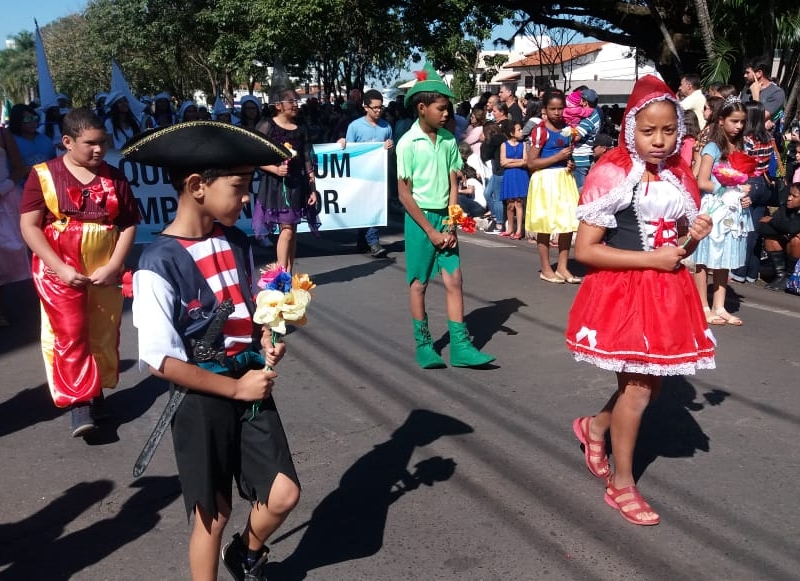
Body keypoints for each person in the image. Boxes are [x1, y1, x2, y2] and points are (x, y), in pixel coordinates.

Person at [124, 121, 299, 581]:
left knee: (282, 494)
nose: (247, 200)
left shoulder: (236, 241)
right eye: (239, 188)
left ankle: (245, 552)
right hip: (202, 398)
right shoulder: (157, 262)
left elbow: (249, 308)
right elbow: (161, 360)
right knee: (213, 514)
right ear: (197, 186)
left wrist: (266, 338)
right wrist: (236, 389)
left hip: (251, 384)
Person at [566, 74, 715, 527]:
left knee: (653, 385)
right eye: (649, 131)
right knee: (637, 390)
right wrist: (652, 259)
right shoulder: (612, 171)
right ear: (631, 128)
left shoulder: (679, 174)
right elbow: (585, 250)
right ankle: (622, 483)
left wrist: (694, 238)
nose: (659, 140)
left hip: (668, 292)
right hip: (624, 292)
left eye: (668, 130)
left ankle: (594, 427)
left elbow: (677, 250)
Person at [18, 108, 139, 436]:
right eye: (90, 143)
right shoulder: (43, 175)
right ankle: (79, 400)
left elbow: (129, 223)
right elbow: (29, 226)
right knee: (69, 331)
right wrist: (58, 267)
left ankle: (95, 390)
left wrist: (114, 265)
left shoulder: (114, 176)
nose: (99, 149)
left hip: (103, 266)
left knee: (102, 329)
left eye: (103, 142)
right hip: (58, 267)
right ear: (68, 142)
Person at [396, 62, 495, 369]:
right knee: (419, 283)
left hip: (445, 218)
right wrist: (431, 230)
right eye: (441, 109)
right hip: (420, 221)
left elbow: (454, 184)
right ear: (422, 108)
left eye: (447, 109)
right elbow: (404, 194)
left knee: (455, 280)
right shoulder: (407, 143)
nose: (446, 114)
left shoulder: (449, 140)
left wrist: (451, 223)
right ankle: (424, 344)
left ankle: (461, 346)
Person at [693, 97, 753, 326]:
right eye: (734, 121)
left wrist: (743, 194)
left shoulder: (741, 147)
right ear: (721, 120)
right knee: (704, 258)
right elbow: (702, 181)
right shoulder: (712, 147)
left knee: (725, 257)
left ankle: (720, 305)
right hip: (714, 207)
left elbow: (744, 178)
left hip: (732, 209)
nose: (738, 126)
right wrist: (730, 186)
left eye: (742, 122)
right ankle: (702, 306)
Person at [254, 88, 320, 272]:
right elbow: (255, 157)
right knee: (288, 229)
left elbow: (307, 160)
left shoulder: (301, 128)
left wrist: (312, 188)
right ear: (278, 105)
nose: (295, 105)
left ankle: (288, 274)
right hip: (276, 185)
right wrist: (275, 169)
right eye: (291, 102)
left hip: (297, 184)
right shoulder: (267, 126)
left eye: (296, 101)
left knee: (292, 230)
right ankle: (281, 274)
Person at [525, 90, 582, 284]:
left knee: (567, 223)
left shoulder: (568, 129)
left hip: (564, 178)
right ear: (545, 110)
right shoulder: (540, 131)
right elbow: (531, 163)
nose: (557, 113)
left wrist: (570, 164)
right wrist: (557, 157)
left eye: (560, 108)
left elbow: (568, 157)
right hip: (545, 180)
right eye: (552, 109)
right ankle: (546, 268)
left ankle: (563, 267)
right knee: (545, 224)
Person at [338, 89, 392, 258]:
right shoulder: (355, 126)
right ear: (365, 107)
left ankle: (364, 240)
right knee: (367, 208)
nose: (378, 110)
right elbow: (349, 151)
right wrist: (342, 143)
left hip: (379, 176)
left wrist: (389, 148)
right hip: (360, 176)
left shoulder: (386, 127)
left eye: (380, 107)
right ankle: (373, 242)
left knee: (374, 207)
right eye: (375, 107)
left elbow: (390, 153)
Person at [731, 101, 776, 284]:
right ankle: (752, 271)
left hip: (750, 182)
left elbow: (742, 162)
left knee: (744, 228)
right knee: (755, 230)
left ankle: (739, 271)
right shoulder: (768, 137)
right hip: (764, 184)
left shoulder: (747, 140)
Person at [0, 125, 30, 327]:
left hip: (5, 202)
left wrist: (3, 189)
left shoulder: (3, 134)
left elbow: (20, 168)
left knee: (6, 255)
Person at [758, 181, 800, 290]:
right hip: (787, 244)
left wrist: (772, 220)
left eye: (794, 196)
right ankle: (780, 275)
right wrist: (784, 230)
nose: (789, 198)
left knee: (796, 240)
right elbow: (763, 228)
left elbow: (792, 228)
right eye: (789, 194)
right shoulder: (785, 207)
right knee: (770, 239)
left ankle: (790, 276)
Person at [8, 104, 57, 187]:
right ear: (17, 121)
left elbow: (54, 163)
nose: (33, 122)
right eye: (27, 119)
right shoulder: (10, 141)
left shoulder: (46, 140)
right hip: (21, 190)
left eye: (35, 118)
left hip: (48, 187)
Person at [499, 120, 528, 239]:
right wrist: (518, 161)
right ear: (511, 133)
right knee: (510, 203)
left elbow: (525, 161)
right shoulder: (504, 145)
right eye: (518, 129)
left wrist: (510, 161)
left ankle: (519, 230)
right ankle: (510, 228)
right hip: (509, 176)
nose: (521, 131)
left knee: (519, 203)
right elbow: (502, 162)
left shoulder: (523, 145)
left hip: (520, 175)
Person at [571, 89, 603, 192]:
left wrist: (567, 130)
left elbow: (576, 137)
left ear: (585, 102)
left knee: (579, 191)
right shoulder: (594, 114)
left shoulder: (589, 118)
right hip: (584, 157)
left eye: (580, 100)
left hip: (580, 159)